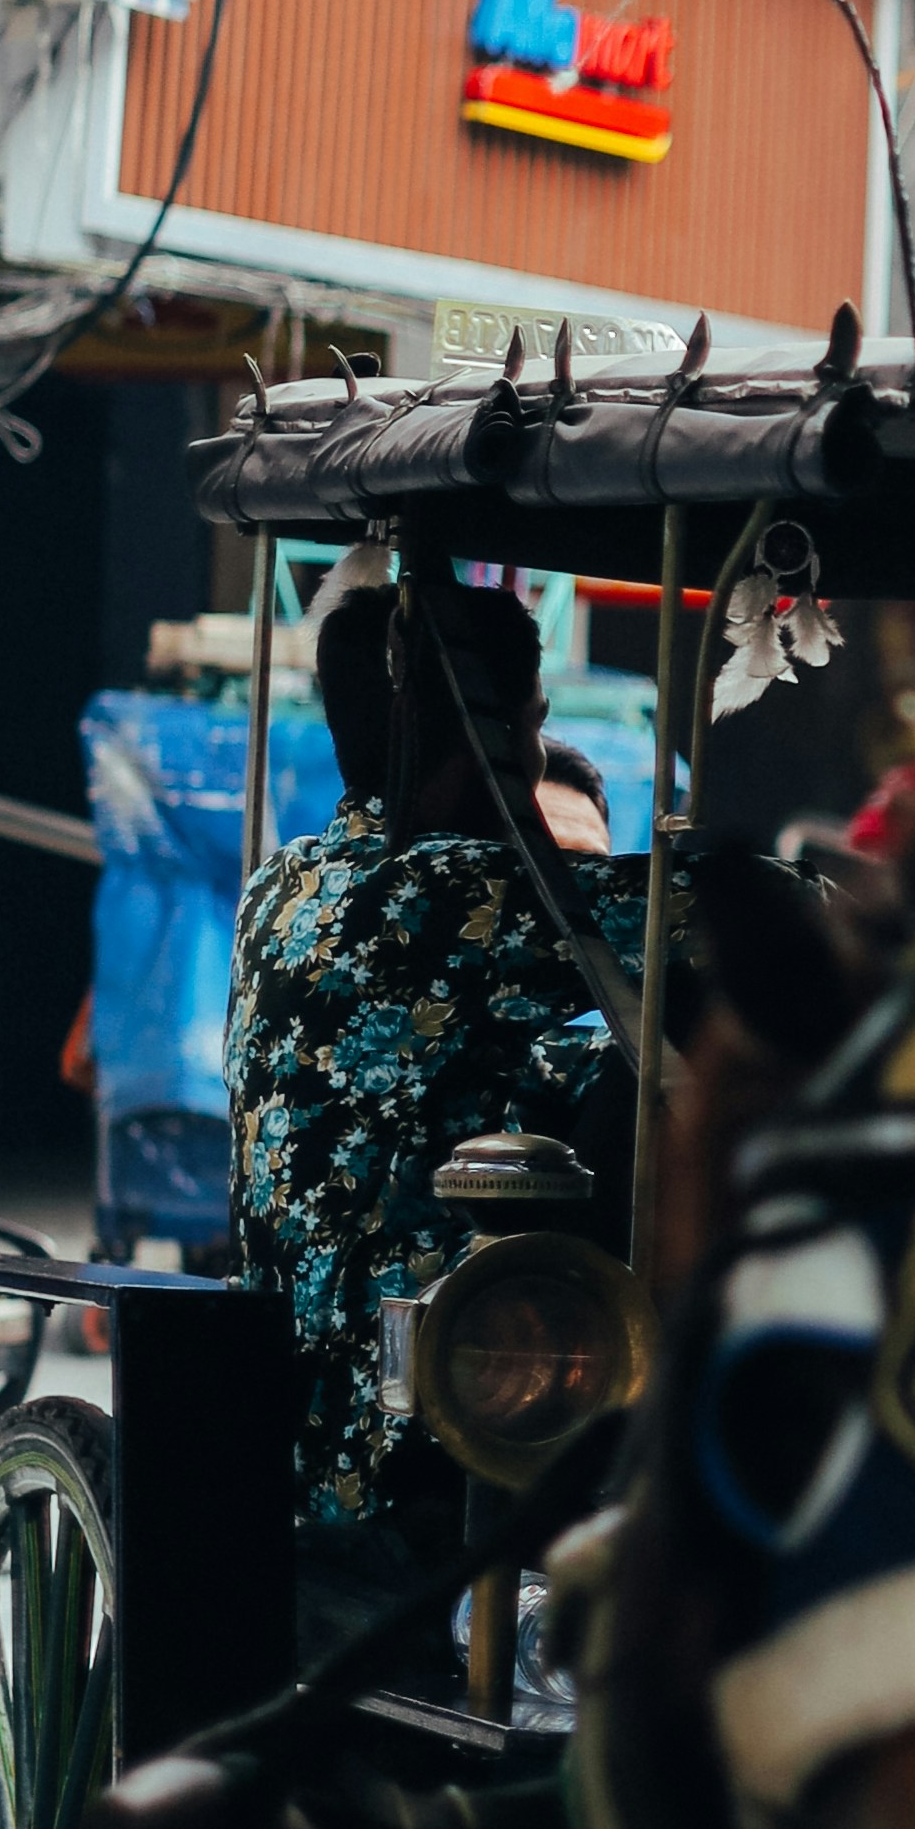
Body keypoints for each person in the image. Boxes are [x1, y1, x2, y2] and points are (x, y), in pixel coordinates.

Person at [226, 575, 650, 1619]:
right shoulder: (453, 891)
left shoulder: (284, 882)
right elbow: (762, 904)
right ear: (487, 739)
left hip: (285, 1422)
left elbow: (447, 1088)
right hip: (425, 1426)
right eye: (532, 725)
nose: (537, 751)